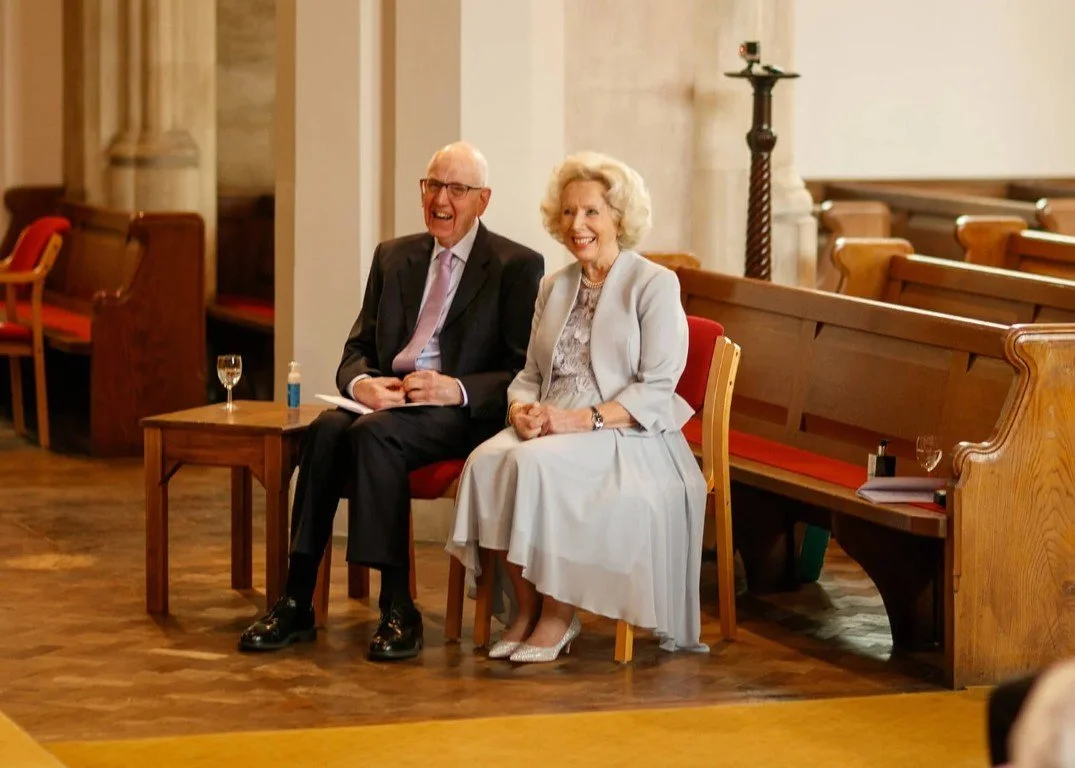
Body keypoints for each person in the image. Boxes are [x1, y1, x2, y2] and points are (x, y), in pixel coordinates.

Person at [239, 141, 544, 660]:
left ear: (483, 200)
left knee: (370, 436)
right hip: (387, 407)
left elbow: (523, 370)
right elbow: (357, 349)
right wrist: (362, 386)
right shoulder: (393, 256)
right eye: (432, 185)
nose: (440, 199)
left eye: (456, 189)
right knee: (327, 430)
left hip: (460, 414)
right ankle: (296, 599)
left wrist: (456, 387)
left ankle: (398, 606)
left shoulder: (516, 265)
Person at [446, 151, 708, 663]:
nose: (577, 225)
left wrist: (579, 420)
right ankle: (524, 608)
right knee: (486, 462)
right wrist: (521, 409)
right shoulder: (555, 284)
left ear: (618, 218)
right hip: (552, 419)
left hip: (624, 431)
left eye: (591, 212)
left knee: (530, 465)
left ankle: (559, 614)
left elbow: (658, 387)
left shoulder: (654, 284)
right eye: (568, 213)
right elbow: (530, 375)